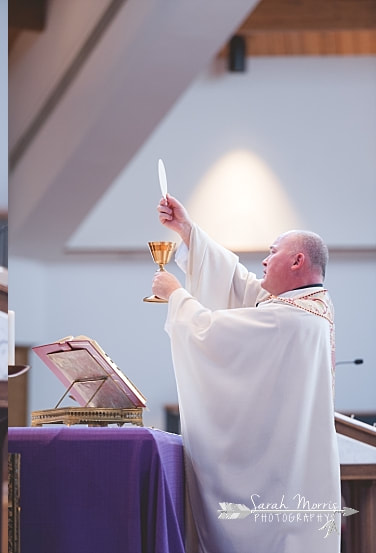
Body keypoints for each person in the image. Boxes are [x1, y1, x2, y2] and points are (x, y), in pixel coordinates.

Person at [152, 194, 341, 553]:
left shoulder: (296, 318)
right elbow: (239, 283)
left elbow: (209, 331)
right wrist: (188, 231)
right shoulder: (303, 305)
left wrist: (176, 295)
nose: (265, 261)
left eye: (273, 252)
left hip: (280, 479)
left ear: (298, 260)